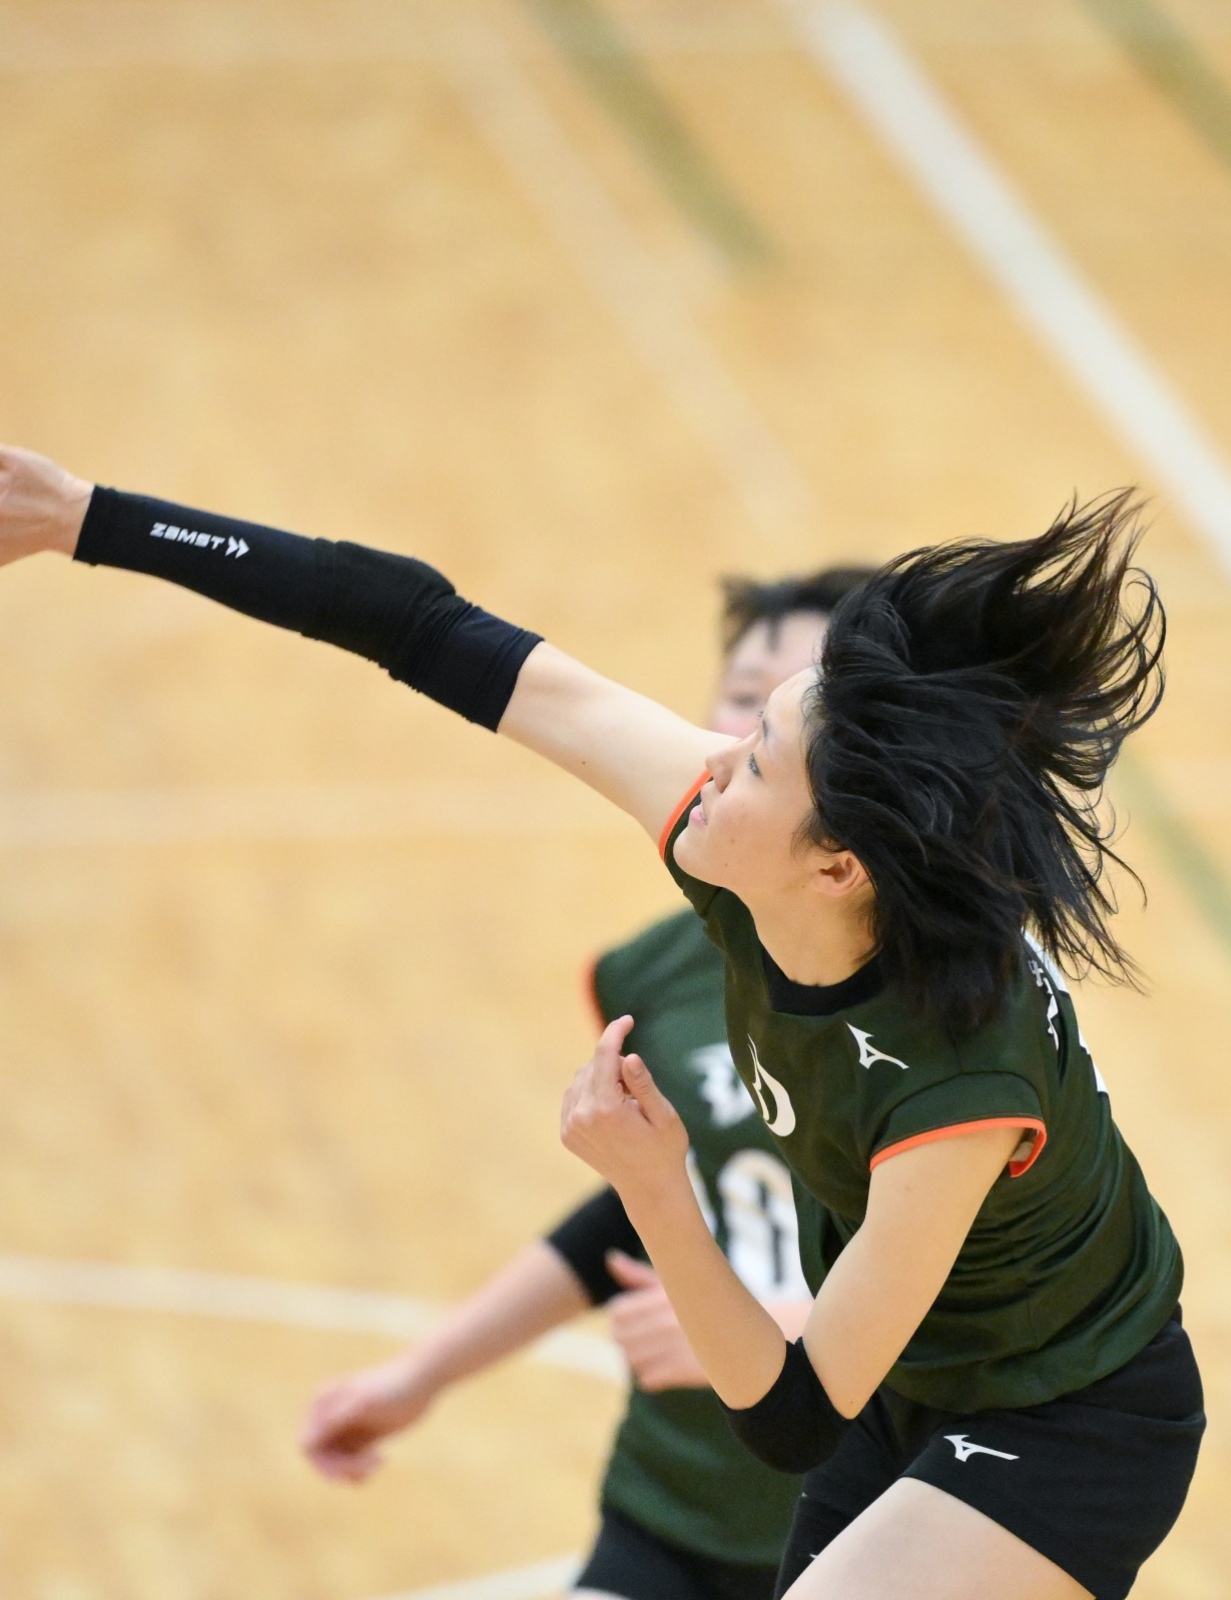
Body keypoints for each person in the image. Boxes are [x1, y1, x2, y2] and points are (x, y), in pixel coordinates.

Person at [0, 426, 1202, 1600]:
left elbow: (795, 1416)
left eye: (754, 761)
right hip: (917, 1386)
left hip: (1071, 1417)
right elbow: (418, 622)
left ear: (837, 866)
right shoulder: (745, 844)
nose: (706, 767)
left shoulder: (953, 1086)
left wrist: (655, 1187)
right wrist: (87, 518)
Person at [298, 567, 872, 1600]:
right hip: (674, 1509)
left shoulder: (943, 1000)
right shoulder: (653, 974)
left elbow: (999, 1282)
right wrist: (423, 1373)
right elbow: (639, 1212)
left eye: (792, 718)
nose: (742, 741)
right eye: (745, 698)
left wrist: (782, 1336)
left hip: (876, 1532)